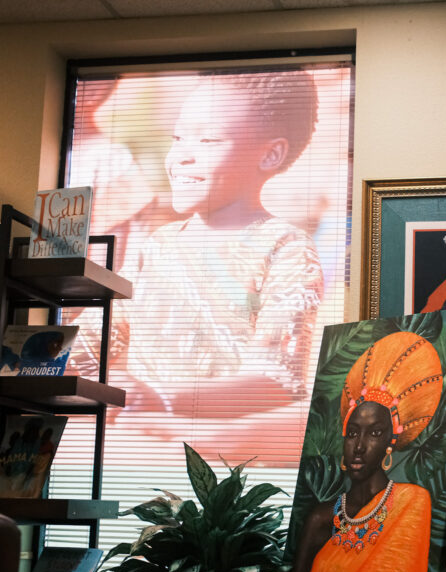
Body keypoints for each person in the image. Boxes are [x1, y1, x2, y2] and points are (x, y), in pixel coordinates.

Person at [120, 70, 325, 425]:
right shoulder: (155, 246)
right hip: (134, 441)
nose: (182, 155)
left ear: (271, 154)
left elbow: (276, 380)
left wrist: (164, 399)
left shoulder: (285, 247)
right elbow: (92, 345)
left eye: (208, 140)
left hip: (221, 461)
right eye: (178, 137)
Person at [287, 331, 443, 572]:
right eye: (353, 432)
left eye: (374, 433)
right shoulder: (321, 519)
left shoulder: (411, 503)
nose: (359, 446)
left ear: (389, 442)